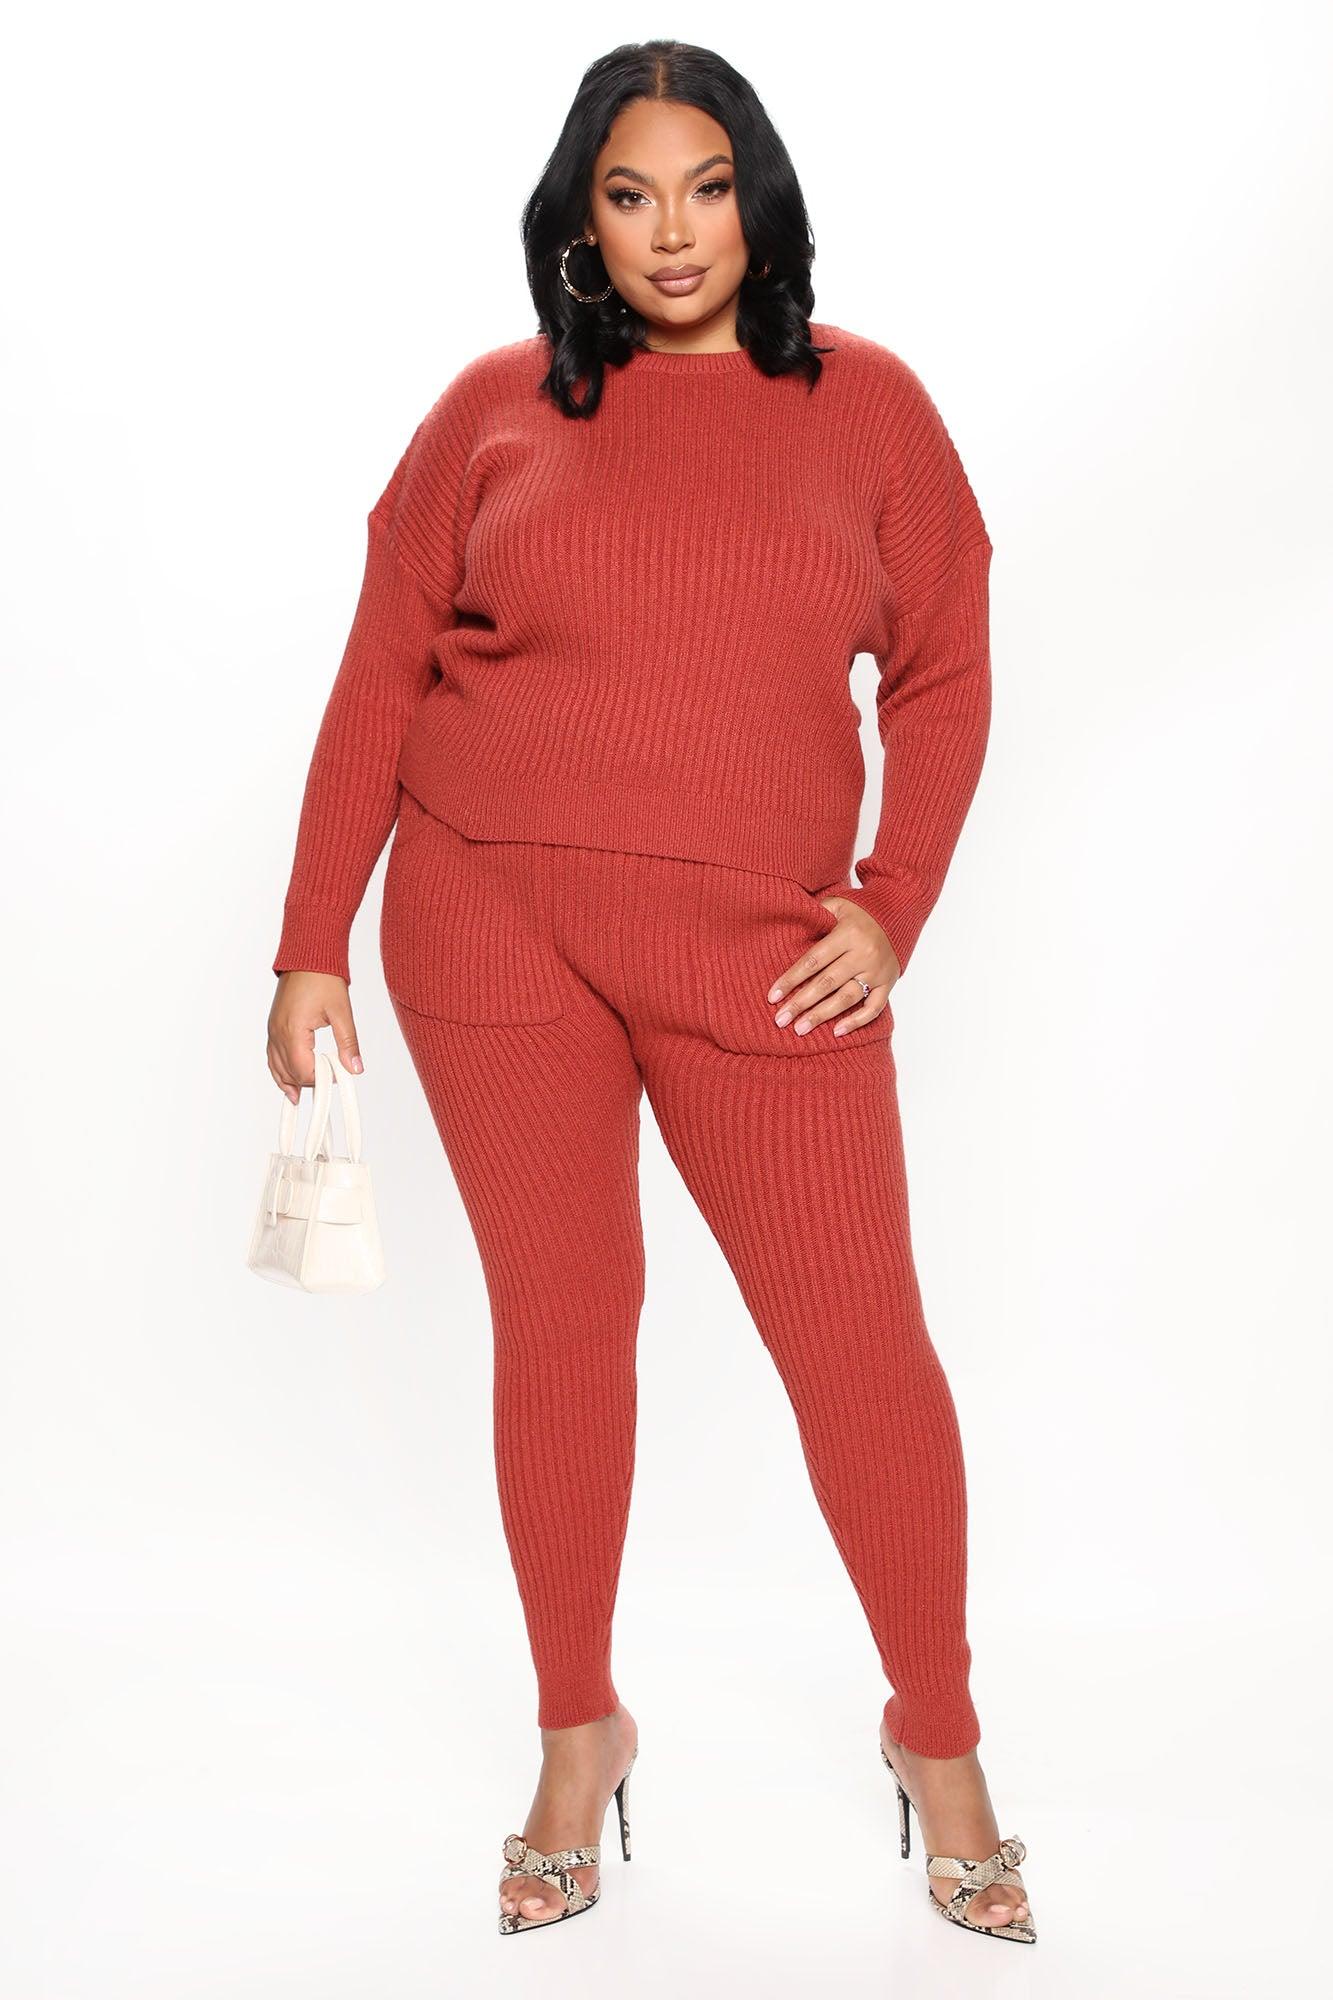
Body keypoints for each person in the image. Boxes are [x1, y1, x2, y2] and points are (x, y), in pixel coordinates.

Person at [266, 40, 1036, 1947]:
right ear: (579, 221)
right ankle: (576, 1733)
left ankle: (937, 1737)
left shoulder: (867, 406)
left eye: (705, 188)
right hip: (485, 928)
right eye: (629, 195)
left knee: (857, 1351)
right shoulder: (492, 409)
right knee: (562, 1335)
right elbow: (380, 670)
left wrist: (893, 905)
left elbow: (943, 667)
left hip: (761, 957)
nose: (673, 232)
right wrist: (308, 940)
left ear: (757, 201)